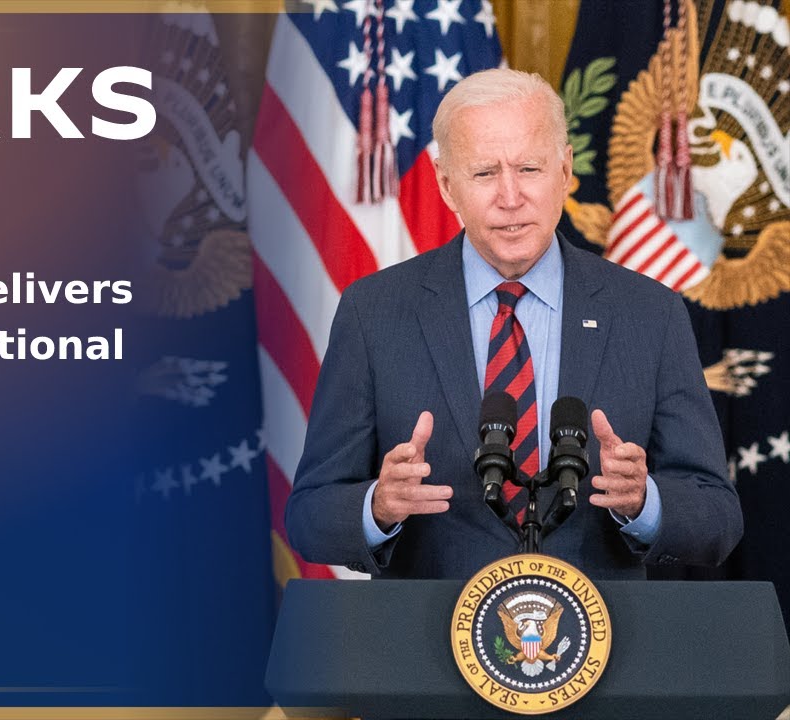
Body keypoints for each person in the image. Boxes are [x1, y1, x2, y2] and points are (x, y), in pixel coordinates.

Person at [285, 68, 742, 580]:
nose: (509, 197)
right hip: (427, 647)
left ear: (565, 170)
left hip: (606, 647)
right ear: (446, 183)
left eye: (529, 168)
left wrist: (644, 501)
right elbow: (309, 516)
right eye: (484, 173)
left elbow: (717, 517)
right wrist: (377, 507)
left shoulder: (650, 313)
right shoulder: (375, 313)